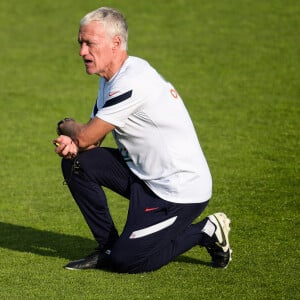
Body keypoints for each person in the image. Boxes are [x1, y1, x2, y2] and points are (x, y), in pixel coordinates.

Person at [53, 7, 232, 273]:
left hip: (178, 191)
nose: (82, 52)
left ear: (116, 43)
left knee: (128, 262)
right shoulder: (110, 80)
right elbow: (91, 142)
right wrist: (74, 145)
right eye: (80, 43)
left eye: (89, 43)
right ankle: (107, 247)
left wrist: (65, 126)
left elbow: (87, 134)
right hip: (144, 175)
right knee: (77, 163)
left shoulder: (133, 81)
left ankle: (206, 230)